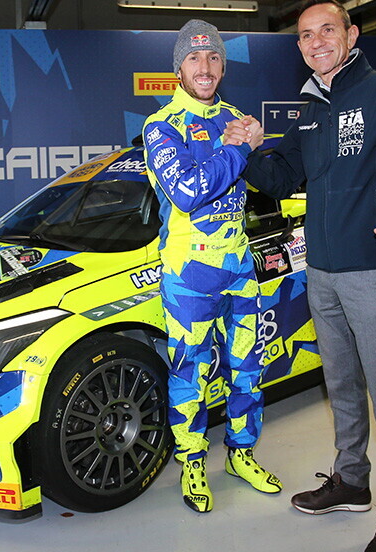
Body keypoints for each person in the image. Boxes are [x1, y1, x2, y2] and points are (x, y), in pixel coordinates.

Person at [225, 0, 376, 552]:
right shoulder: (310, 109)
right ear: (299, 47)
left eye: (327, 30)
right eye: (305, 35)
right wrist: (250, 148)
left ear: (351, 34)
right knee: (340, 388)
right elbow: (280, 177)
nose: (316, 42)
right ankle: (352, 482)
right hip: (323, 275)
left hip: (374, 275)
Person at [142, 18, 279, 514]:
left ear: (223, 66)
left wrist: (255, 144)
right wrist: (240, 146)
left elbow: (262, 179)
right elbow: (188, 191)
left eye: (214, 57)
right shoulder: (161, 126)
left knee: (249, 367)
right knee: (191, 374)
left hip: (239, 265)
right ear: (178, 68)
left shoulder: (237, 117)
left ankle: (242, 455)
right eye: (194, 58)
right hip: (189, 274)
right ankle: (193, 462)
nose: (205, 67)